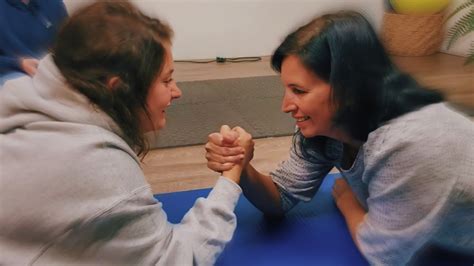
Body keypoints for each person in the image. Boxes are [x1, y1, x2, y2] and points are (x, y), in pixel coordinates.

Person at [205, 11, 474, 265]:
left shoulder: (411, 141)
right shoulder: (327, 128)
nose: (286, 106)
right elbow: (281, 198)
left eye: (298, 90)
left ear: (349, 88)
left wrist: (348, 202)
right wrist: (241, 165)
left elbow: (383, 254)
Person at [0, 1, 254, 264]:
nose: (176, 91)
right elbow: (179, 258)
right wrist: (231, 176)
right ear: (119, 89)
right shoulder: (99, 168)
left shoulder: (21, 98)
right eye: (166, 80)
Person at [0, 0, 68, 86]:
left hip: (59, 71)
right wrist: (18, 64)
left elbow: (70, 37)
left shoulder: (54, 3)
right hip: (17, 76)